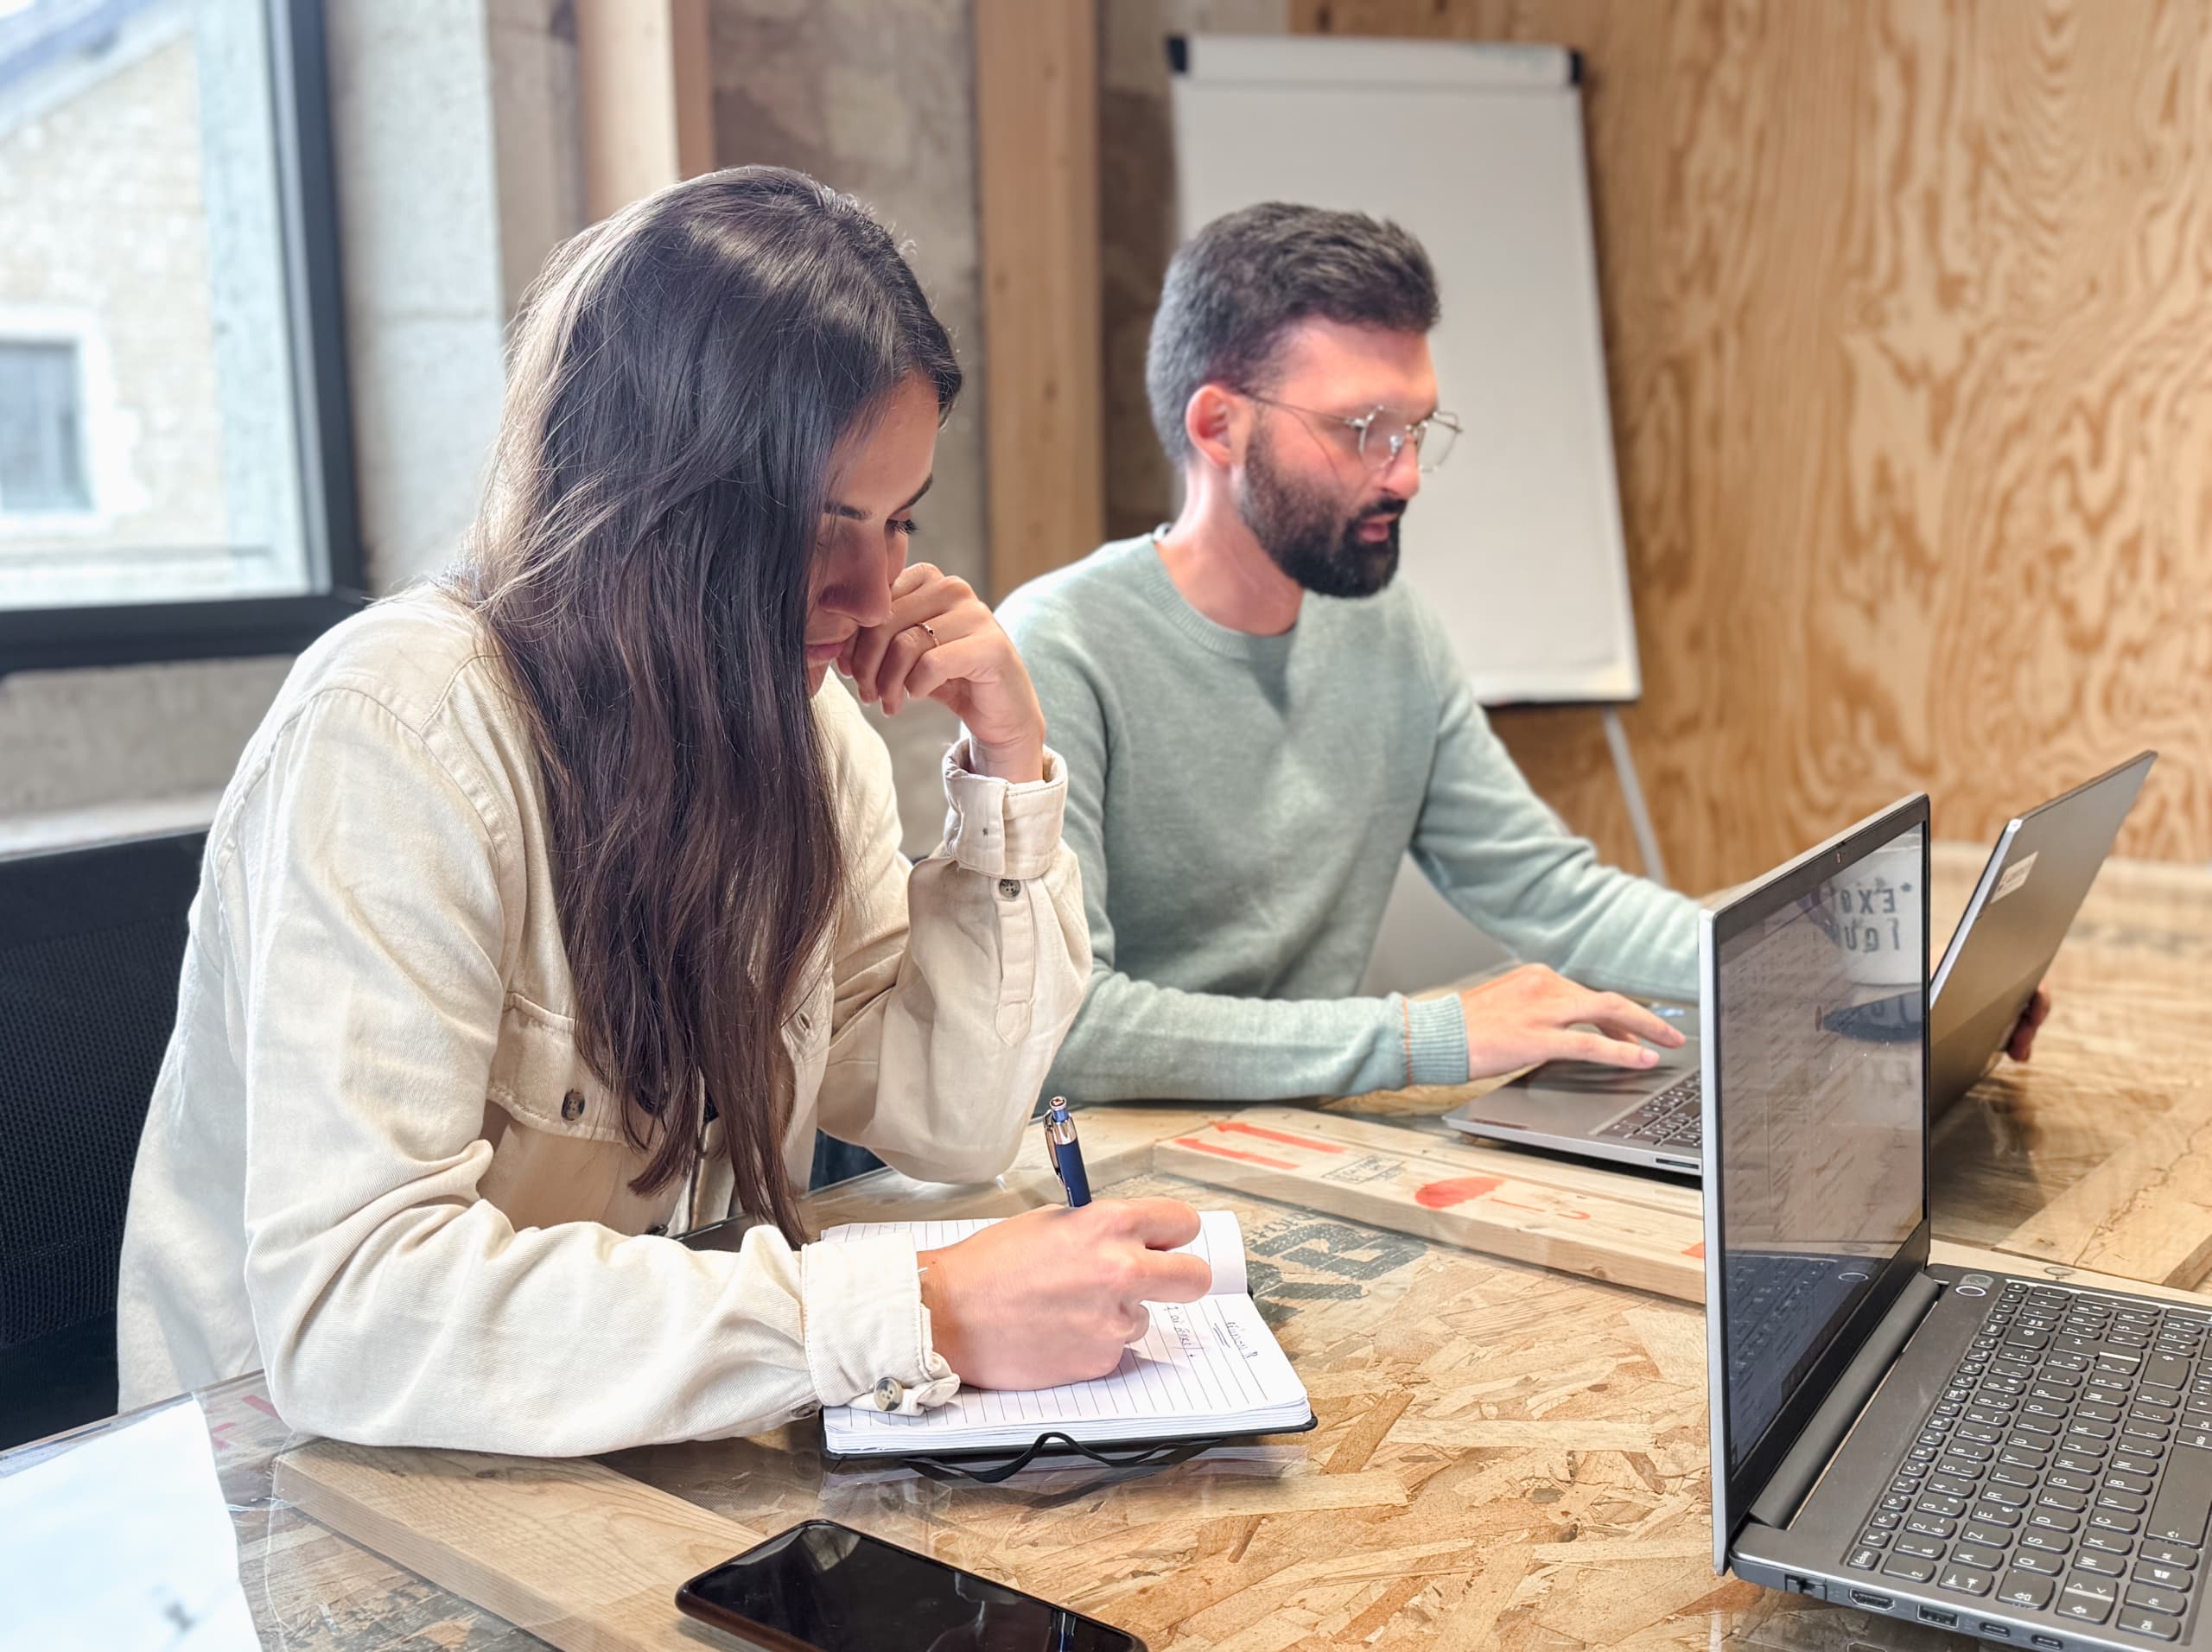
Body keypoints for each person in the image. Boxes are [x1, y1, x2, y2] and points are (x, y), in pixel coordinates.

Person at [116, 168, 1210, 1455]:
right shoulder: (400, 724)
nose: (873, 592)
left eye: (898, 521)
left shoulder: (805, 729)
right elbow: (356, 1309)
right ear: (655, 494)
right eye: (819, 524)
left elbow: (952, 1120)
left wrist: (1009, 766)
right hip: (306, 1487)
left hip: (614, 1444)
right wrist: (912, 1311)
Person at [1001, 201, 2045, 1105]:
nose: (1404, 475)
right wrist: (1425, 1036)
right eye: (1363, 428)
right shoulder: (1058, 648)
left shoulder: (1388, 631)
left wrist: (1853, 974)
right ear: (1219, 426)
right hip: (1114, 1177)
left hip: (1305, 1141)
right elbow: (1072, 1026)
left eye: (1416, 428)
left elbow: (1555, 893)